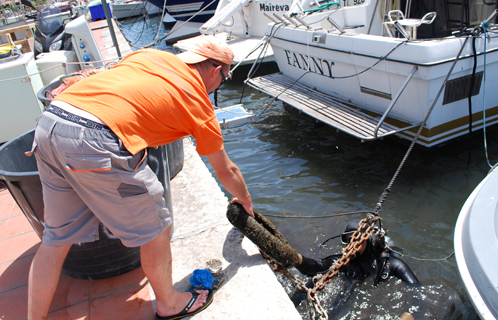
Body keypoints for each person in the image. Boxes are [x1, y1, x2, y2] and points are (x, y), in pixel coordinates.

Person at [27, 36, 254, 320]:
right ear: (215, 70)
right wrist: (244, 199)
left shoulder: (148, 56)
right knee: (156, 226)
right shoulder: (198, 101)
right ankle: (170, 304)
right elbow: (226, 170)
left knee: (55, 239)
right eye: (226, 76)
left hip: (51, 121)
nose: (222, 82)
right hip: (94, 137)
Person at [295, 219, 420, 286]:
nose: (353, 245)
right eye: (350, 240)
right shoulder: (343, 261)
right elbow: (318, 267)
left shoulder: (390, 264)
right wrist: (296, 259)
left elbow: (416, 290)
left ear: (367, 238)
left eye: (357, 239)